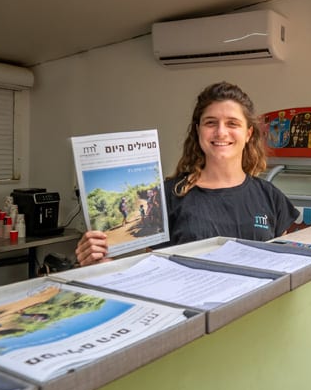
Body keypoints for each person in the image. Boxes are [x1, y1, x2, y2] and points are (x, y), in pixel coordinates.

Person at [75, 82, 298, 266]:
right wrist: (99, 263)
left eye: (232, 123)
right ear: (198, 130)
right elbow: (152, 272)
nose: (221, 132)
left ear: (248, 133)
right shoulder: (168, 196)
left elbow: (283, 264)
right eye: (211, 123)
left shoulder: (270, 196)